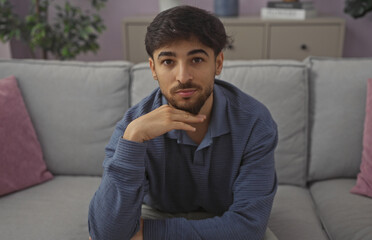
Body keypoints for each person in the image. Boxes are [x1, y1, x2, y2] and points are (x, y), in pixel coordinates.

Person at [88, 5, 278, 240]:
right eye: (168, 61)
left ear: (218, 63)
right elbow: (105, 234)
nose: (183, 77)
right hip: (158, 213)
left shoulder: (255, 123)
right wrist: (133, 140)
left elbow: (248, 227)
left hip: (227, 219)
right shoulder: (133, 126)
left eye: (197, 59)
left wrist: (147, 234)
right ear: (153, 69)